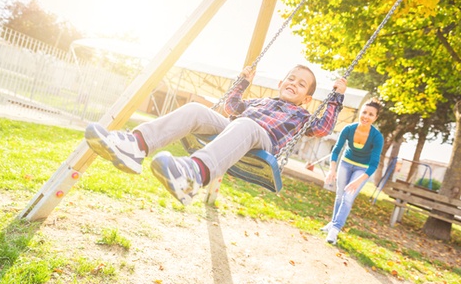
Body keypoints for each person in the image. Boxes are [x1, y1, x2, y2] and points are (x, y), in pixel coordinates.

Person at [85, 65, 348, 205]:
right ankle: (136, 146)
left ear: (307, 98)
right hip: (238, 129)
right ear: (280, 83)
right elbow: (231, 108)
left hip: (263, 143)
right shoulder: (260, 102)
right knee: (197, 109)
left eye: (301, 84)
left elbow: (324, 128)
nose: (293, 84)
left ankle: (193, 175)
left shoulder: (302, 116)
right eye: (291, 78)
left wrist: (336, 97)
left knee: (246, 125)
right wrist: (242, 83)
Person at [321, 98, 383, 245]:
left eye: (371, 114)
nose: (366, 116)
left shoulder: (377, 137)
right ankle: (332, 223)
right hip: (346, 163)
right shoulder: (349, 129)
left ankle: (335, 229)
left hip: (362, 169)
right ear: (360, 112)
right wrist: (332, 170)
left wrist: (358, 181)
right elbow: (336, 150)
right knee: (340, 195)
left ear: (375, 118)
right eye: (364, 112)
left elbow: (374, 163)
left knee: (348, 198)